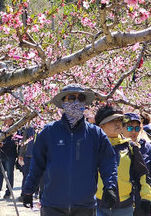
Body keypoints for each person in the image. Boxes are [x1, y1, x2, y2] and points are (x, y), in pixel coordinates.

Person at [22, 84, 118, 215]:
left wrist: (110, 186)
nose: (76, 102)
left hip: (85, 206)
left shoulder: (95, 134)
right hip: (53, 205)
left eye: (81, 98)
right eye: (72, 98)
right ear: (63, 102)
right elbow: (37, 164)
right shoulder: (49, 132)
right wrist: (29, 189)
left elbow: (108, 161)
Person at [94, 106, 149, 216]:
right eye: (112, 121)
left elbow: (142, 175)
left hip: (124, 206)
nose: (118, 123)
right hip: (99, 206)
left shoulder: (130, 147)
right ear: (101, 125)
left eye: (119, 120)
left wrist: (146, 197)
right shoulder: (94, 148)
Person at [122, 113, 151, 216]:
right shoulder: (115, 147)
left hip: (143, 201)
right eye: (129, 128)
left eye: (137, 128)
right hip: (121, 203)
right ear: (121, 128)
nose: (133, 132)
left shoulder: (146, 148)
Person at [17, 126, 36, 202]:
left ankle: (25, 194)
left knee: (27, 176)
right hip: (37, 155)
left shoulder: (28, 128)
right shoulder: (45, 126)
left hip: (29, 155)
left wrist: (21, 154)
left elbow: (24, 142)